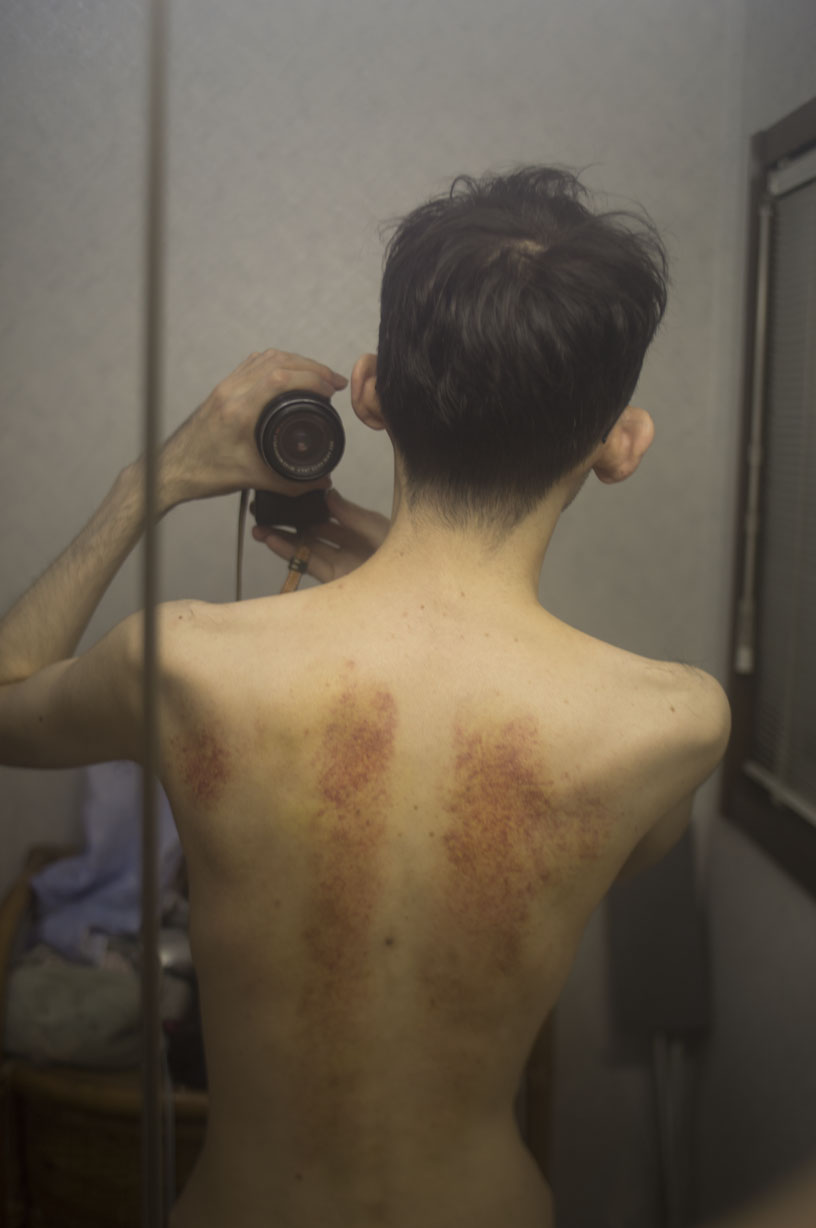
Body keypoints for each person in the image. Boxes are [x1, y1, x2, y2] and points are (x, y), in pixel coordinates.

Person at [0, 166, 732, 1228]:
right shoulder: (673, 724)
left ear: (373, 391)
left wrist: (150, 481)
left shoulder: (187, 663)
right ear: (623, 444)